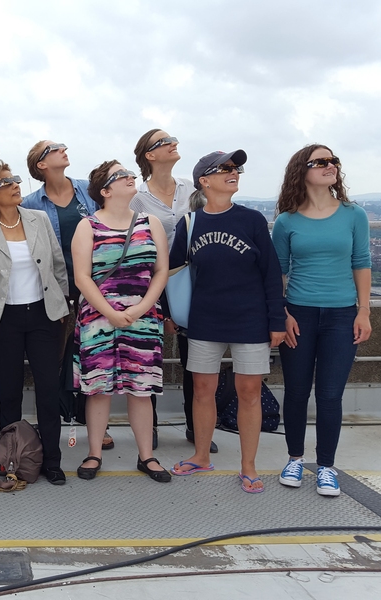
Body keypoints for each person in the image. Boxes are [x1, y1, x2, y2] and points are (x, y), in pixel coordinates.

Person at [169, 150, 285, 494]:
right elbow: (172, 271)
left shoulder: (250, 220)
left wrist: (276, 319)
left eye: (237, 168)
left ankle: (248, 466)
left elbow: (270, 273)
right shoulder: (190, 223)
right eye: (226, 169)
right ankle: (201, 455)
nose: (234, 173)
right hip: (204, 319)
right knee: (203, 391)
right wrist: (168, 312)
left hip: (251, 319)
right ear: (204, 181)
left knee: (248, 392)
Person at [273, 145, 371, 497]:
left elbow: (362, 262)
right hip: (299, 313)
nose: (330, 166)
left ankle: (326, 467)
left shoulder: (353, 215)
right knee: (297, 392)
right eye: (321, 162)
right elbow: (278, 273)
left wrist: (363, 311)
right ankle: (295, 459)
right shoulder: (286, 221)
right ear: (303, 170)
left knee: (330, 394)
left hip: (342, 314)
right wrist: (282, 314)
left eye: (333, 161)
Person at [0, 162, 69, 484]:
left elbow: (58, 264)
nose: (15, 185)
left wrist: (63, 304)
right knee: (8, 393)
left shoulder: (39, 220)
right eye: (6, 183)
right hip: (4, 318)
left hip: (44, 315)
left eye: (16, 180)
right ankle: (9, 462)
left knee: (48, 390)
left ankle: (51, 460)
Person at [71, 161, 170, 483]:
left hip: (142, 315)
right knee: (99, 388)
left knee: (141, 390)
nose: (131, 177)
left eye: (130, 174)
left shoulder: (150, 222)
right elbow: (82, 277)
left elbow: (160, 272)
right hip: (98, 319)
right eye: (121, 175)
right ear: (105, 190)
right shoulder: (87, 226)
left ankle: (147, 456)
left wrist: (142, 307)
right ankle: (94, 452)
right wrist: (111, 312)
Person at [21, 141, 111, 449]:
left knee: (93, 353)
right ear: (41, 165)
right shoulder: (31, 202)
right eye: (54, 148)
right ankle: (56, 419)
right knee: (55, 357)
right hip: (54, 288)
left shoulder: (89, 190)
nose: (63, 149)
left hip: (97, 284)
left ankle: (96, 423)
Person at [130, 129, 210, 452]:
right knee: (151, 358)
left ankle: (196, 426)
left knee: (196, 358)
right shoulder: (138, 198)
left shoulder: (191, 190)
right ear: (150, 155)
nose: (174, 143)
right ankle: (149, 430)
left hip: (190, 282)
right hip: (151, 283)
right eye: (165, 141)